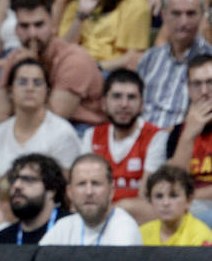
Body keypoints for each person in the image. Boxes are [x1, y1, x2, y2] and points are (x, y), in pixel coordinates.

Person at [0, 58, 82, 231]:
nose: (29, 88)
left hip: (46, 220)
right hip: (3, 215)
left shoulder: (63, 134)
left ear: (47, 91)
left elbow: (65, 195)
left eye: (37, 82)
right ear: (10, 91)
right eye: (22, 82)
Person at [0, 0, 104, 128]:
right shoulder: (15, 59)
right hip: (31, 128)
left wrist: (33, 69)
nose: (32, 34)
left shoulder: (74, 60)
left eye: (39, 25)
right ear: (16, 30)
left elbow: (52, 122)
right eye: (24, 26)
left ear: (53, 26)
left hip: (82, 128)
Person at [81, 69, 167, 224]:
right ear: (103, 103)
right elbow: (85, 190)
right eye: (117, 96)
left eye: (132, 97)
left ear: (142, 104)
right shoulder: (91, 136)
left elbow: (146, 197)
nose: (124, 104)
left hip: (139, 221)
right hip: (97, 220)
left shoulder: (156, 137)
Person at [137, 0, 212, 129]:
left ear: (202, 15)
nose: (183, 22)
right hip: (140, 142)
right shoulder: (150, 58)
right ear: (164, 15)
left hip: (183, 143)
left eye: (190, 14)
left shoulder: (210, 62)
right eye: (176, 14)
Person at [38, 153, 142, 246]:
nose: (89, 192)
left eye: (96, 183)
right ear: (70, 192)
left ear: (111, 191)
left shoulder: (124, 228)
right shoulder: (63, 226)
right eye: (81, 184)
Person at [166, 54, 212, 228]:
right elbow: (174, 186)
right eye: (197, 84)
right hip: (188, 205)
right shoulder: (178, 132)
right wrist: (188, 135)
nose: (205, 91)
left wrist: (188, 197)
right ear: (188, 88)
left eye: (210, 82)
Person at [0, 152, 69, 245]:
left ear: (51, 190)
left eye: (28, 179)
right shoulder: (2, 239)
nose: (17, 185)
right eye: (13, 180)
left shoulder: (71, 229)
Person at [140, 164, 212, 246]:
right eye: (159, 196)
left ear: (189, 201)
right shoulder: (141, 234)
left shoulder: (201, 236)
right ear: (150, 201)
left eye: (173, 196)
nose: (165, 203)